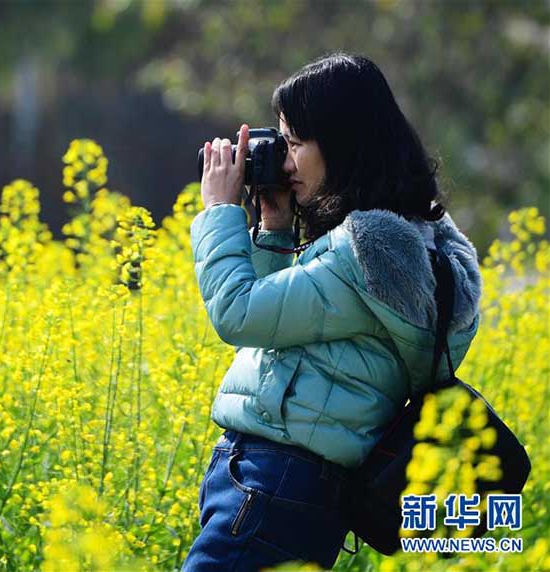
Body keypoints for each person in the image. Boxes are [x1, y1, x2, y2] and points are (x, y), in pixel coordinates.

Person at [181, 53, 482, 571]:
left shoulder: (365, 255)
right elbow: (284, 329)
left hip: (272, 487)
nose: (285, 162)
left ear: (342, 142)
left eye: (295, 143)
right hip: (306, 494)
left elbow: (236, 312)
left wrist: (220, 211)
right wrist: (274, 228)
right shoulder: (418, 249)